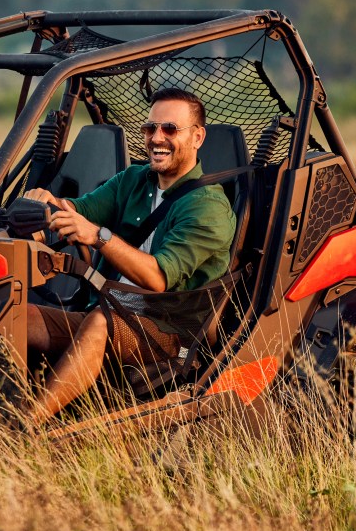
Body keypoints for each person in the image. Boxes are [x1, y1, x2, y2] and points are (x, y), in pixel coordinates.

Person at [24, 88, 235, 423]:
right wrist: (47, 202)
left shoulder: (208, 207)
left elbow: (158, 278)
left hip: (169, 335)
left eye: (170, 129)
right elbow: (79, 210)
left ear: (197, 137)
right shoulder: (133, 180)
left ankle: (26, 426)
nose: (156, 138)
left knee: (101, 320)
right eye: (150, 129)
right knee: (16, 316)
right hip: (111, 309)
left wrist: (98, 235)